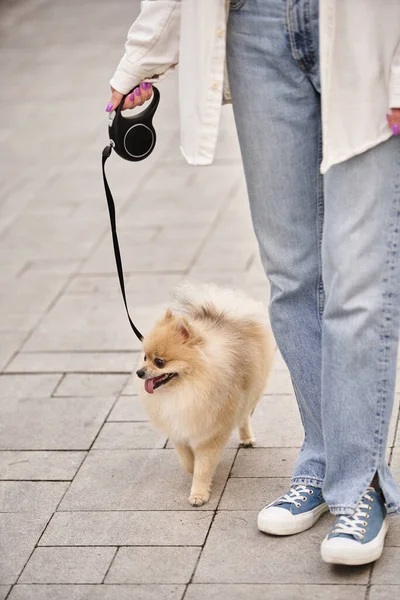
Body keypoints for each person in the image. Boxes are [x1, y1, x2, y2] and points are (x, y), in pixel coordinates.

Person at [108, 0, 400, 566]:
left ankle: (359, 482)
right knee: (291, 276)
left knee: (359, 284)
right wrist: (137, 64)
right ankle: (320, 460)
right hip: (255, 26)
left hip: (368, 31)